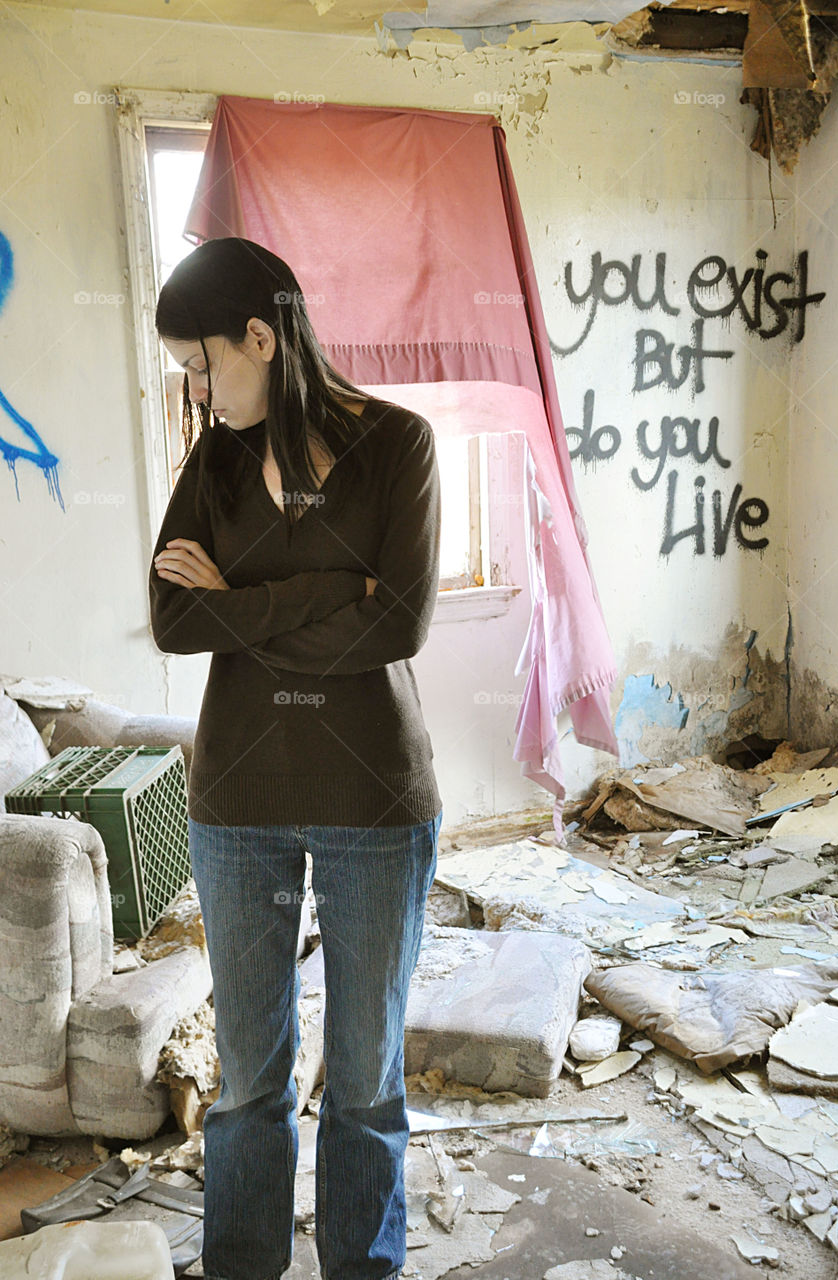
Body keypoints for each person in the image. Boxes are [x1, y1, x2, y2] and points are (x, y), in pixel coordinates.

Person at [148, 236, 443, 1280]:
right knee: (250, 1080)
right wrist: (323, 597)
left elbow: (398, 624)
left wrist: (241, 603)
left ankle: (364, 1266)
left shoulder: (398, 445)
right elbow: (174, 619)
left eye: (201, 360)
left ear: (260, 338)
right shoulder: (214, 458)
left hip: (374, 796)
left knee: (364, 1077)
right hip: (238, 802)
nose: (192, 384)